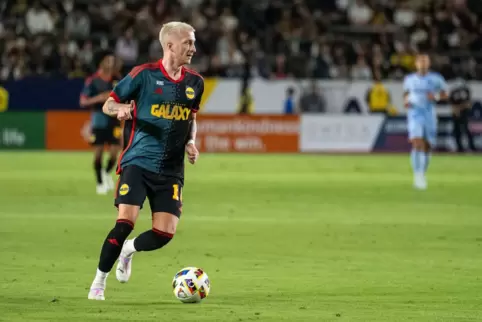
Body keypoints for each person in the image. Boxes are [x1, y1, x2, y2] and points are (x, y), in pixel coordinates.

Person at [87, 21, 203, 301]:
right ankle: (99, 281)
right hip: (138, 161)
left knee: (164, 233)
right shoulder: (143, 75)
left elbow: (192, 119)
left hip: (172, 168)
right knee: (125, 221)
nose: (193, 48)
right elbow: (108, 103)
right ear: (170, 45)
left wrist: (190, 141)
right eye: (187, 42)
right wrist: (122, 108)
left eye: (193, 42)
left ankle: (129, 250)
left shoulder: (194, 83)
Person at [403, 53, 448, 190]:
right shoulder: (409, 79)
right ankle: (418, 176)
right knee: (417, 142)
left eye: (425, 61)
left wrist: (435, 96)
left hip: (429, 114)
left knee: (427, 146)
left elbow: (445, 94)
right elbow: (406, 94)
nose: (423, 64)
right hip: (415, 114)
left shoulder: (436, 79)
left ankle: (422, 172)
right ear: (416, 64)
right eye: (420, 61)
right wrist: (406, 101)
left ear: (428, 64)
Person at [80, 51, 121, 195]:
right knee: (98, 153)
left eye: (112, 61)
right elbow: (83, 101)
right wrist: (99, 98)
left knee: (115, 152)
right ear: (101, 62)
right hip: (99, 119)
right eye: (108, 60)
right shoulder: (93, 80)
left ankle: (106, 172)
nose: (111, 64)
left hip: (114, 118)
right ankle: (99, 182)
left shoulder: (116, 79)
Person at [449, 78, 476, 152]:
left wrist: (459, 108)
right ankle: (459, 148)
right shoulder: (453, 92)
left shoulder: (466, 91)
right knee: (457, 131)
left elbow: (468, 104)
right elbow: (451, 103)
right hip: (455, 114)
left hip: (464, 114)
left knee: (466, 130)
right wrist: (456, 110)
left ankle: (472, 147)